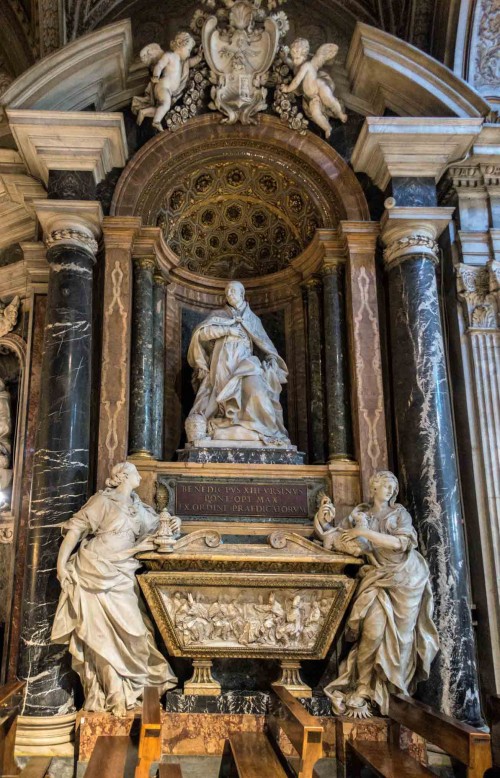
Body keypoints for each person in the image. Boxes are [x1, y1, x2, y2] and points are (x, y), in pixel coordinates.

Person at [51, 462, 178, 716]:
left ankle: (134, 688)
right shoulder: (102, 502)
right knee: (100, 637)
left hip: (122, 575)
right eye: (134, 472)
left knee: (138, 633)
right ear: (122, 476)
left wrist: (174, 522)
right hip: (93, 571)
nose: (140, 476)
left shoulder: (138, 508)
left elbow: (160, 525)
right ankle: (115, 695)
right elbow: (75, 531)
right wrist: (61, 565)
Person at [324, 470, 439, 718]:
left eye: (392, 487)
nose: (389, 490)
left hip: (406, 578)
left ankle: (393, 690)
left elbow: (401, 544)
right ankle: (363, 686)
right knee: (372, 632)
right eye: (384, 486)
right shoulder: (361, 514)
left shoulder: (399, 514)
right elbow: (332, 537)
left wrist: (363, 533)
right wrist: (322, 521)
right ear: (373, 487)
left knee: (401, 639)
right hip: (376, 578)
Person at [186, 280, 291, 446]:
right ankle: (228, 424)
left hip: (246, 364)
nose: (229, 294)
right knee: (221, 399)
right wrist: (227, 329)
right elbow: (202, 334)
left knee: (257, 391)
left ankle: (269, 430)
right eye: (227, 292)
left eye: (233, 291)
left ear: (242, 295)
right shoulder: (219, 315)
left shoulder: (252, 319)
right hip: (222, 365)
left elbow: (265, 344)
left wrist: (272, 360)